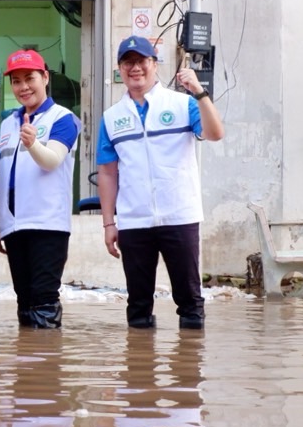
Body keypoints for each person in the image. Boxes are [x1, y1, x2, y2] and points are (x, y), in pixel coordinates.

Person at [96, 35, 225, 330]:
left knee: (190, 302)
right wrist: (108, 223)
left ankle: (188, 370)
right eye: (128, 62)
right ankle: (140, 369)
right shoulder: (112, 117)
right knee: (138, 305)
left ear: (154, 64)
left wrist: (200, 92)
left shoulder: (182, 104)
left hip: (179, 215)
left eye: (141, 61)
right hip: (134, 221)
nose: (135, 68)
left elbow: (216, 133)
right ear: (119, 69)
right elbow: (108, 173)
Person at [0, 48, 81, 329]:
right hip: (13, 226)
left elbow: (52, 160)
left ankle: (45, 369)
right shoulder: (8, 123)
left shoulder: (63, 118)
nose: (23, 87)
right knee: (24, 299)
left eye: (29, 78)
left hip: (47, 224)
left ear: (44, 77)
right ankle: (27, 369)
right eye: (16, 81)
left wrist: (32, 144)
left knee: (43, 299)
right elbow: (2, 174)